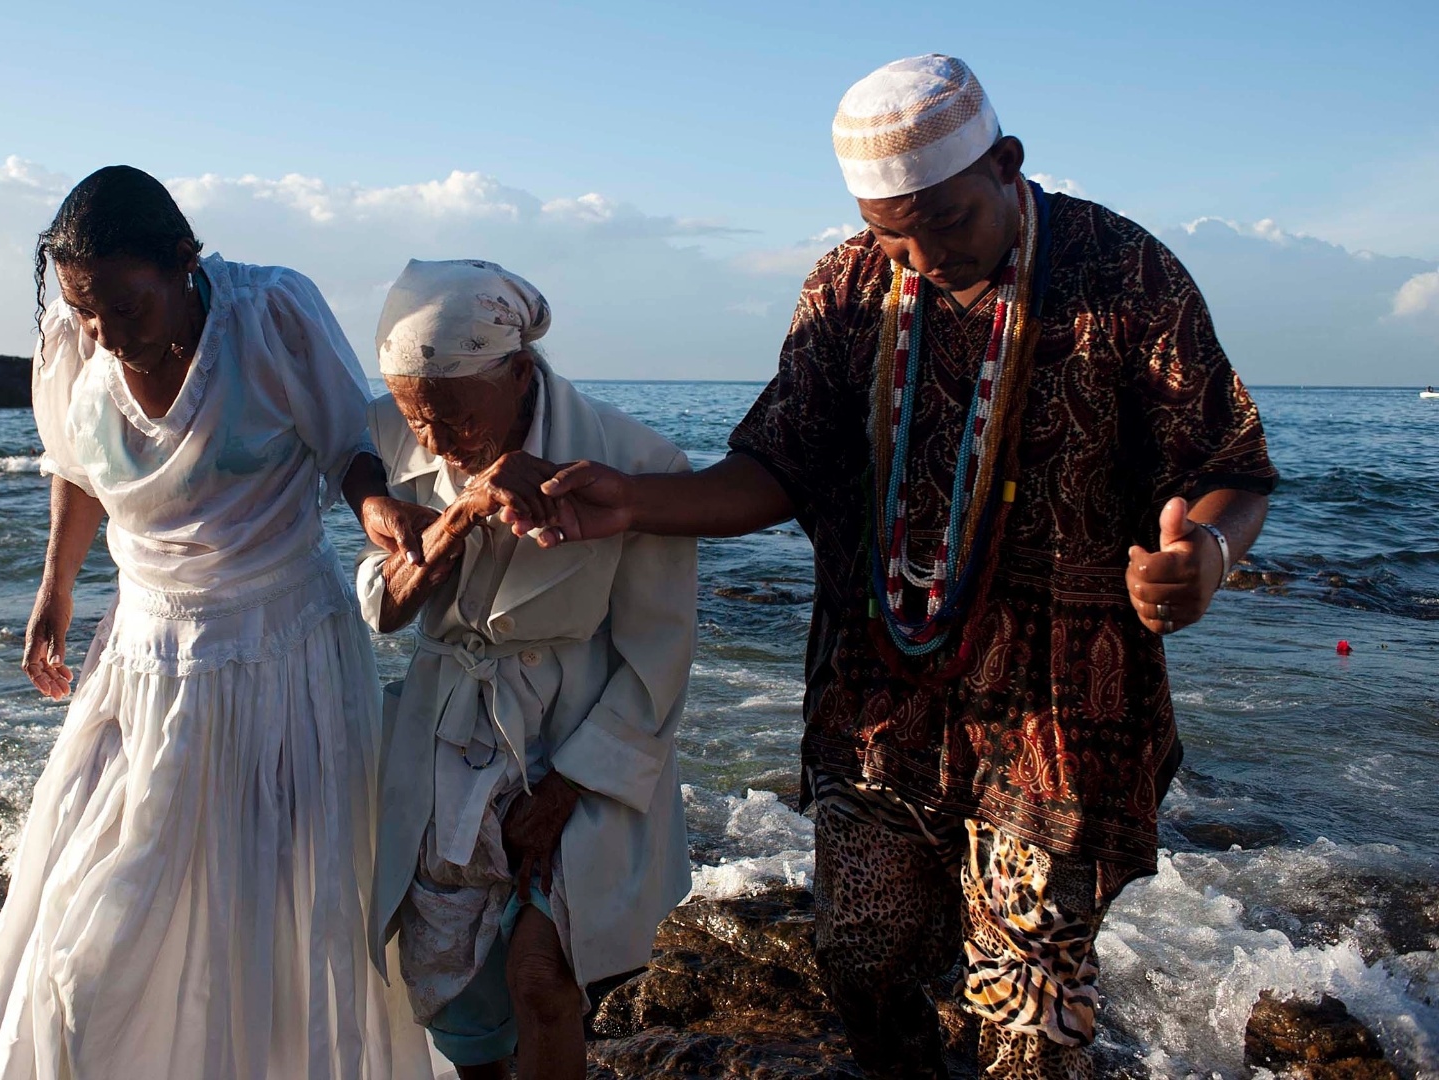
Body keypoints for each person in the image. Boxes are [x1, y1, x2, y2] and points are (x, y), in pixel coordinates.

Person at [491, 55, 1277, 1080]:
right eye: (890, 227)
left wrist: (1206, 554)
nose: (919, 251)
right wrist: (634, 503)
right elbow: (778, 462)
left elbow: (1231, 463)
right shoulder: (853, 282)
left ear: (1007, 163)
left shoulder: (1124, 271)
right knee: (857, 959)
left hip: (1058, 713)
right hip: (876, 695)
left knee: (1032, 1013)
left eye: (946, 221)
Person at [0, 165, 433, 1080]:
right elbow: (78, 467)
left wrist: (379, 514)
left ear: (183, 262)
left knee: (281, 924)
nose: (105, 334)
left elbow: (348, 450)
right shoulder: (71, 343)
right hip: (140, 655)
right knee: (83, 946)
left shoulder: (271, 315)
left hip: (283, 649)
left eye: (126, 307)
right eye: (87, 311)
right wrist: (54, 588)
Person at [357, 260, 697, 1080]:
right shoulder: (389, 438)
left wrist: (570, 786)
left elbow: (658, 654)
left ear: (518, 374)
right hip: (451, 736)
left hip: (578, 741)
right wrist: (465, 506)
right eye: (415, 415)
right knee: (462, 999)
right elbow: (382, 607)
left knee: (543, 978)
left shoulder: (634, 461)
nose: (433, 438)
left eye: (452, 416)